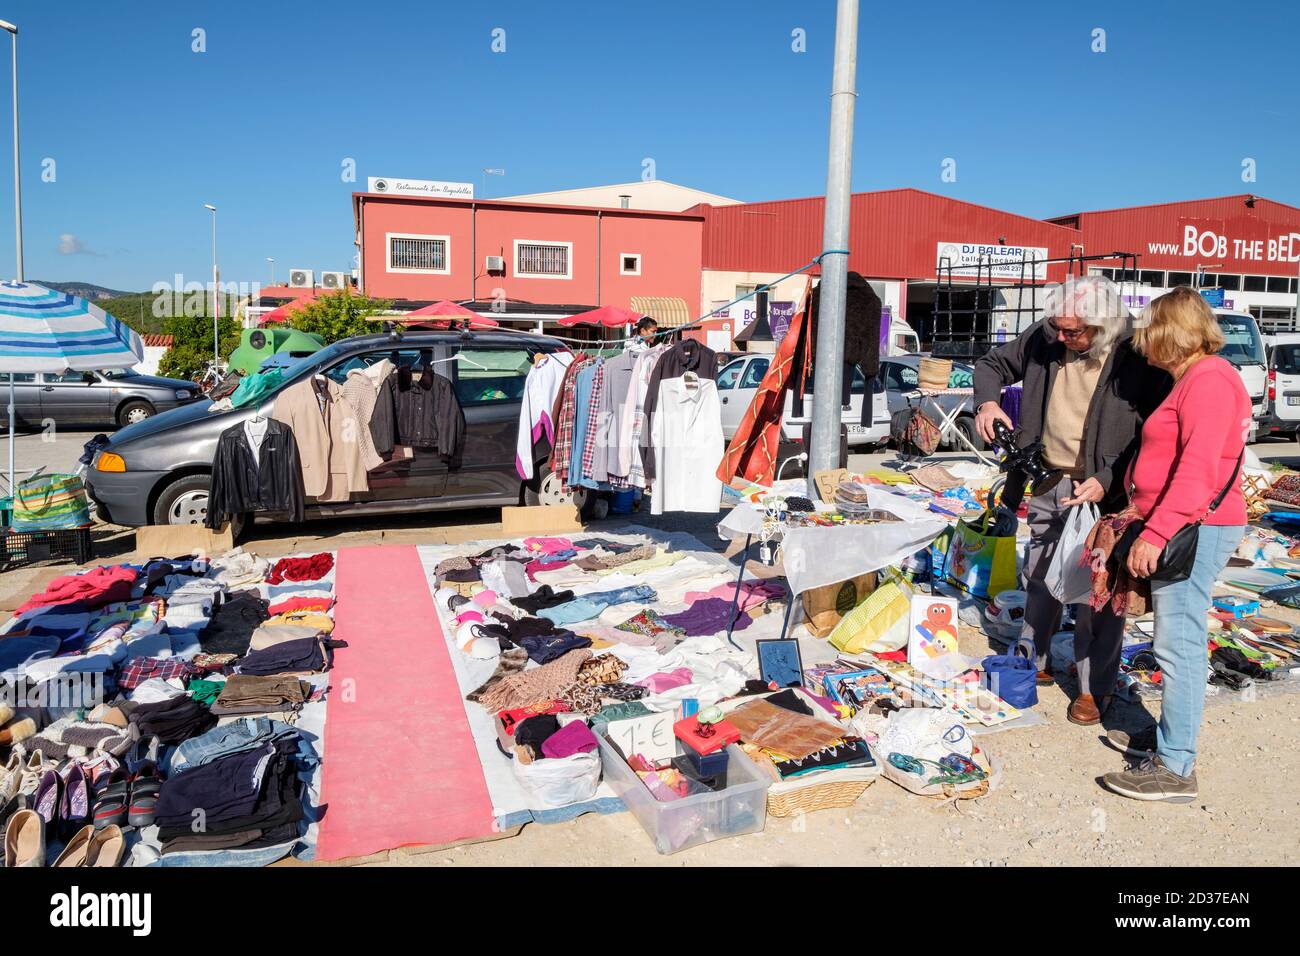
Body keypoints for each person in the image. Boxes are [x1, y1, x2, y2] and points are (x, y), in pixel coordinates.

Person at [973, 276, 1170, 725]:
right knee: (1040, 573)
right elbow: (990, 365)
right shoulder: (1047, 335)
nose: (1061, 337)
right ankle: (1033, 657)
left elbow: (1151, 436)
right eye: (1058, 328)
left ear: (1103, 326)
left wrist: (1107, 478)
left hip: (1107, 491)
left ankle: (1092, 687)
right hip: (1048, 478)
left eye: (1073, 331)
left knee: (1097, 593)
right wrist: (987, 403)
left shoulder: (1136, 356)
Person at [1102, 288, 1250, 804]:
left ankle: (1176, 765)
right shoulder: (1196, 379)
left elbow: (1197, 469)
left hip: (1194, 528)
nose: (1142, 341)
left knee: (1178, 644)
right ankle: (1171, 745)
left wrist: (1159, 531)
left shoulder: (1207, 380)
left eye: (1149, 330)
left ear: (1172, 331)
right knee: (1176, 640)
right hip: (1192, 523)